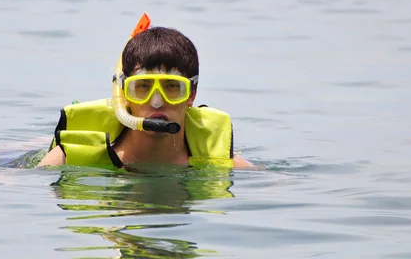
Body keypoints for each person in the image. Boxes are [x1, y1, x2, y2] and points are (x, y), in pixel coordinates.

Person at [38, 15, 254, 170]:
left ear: (192, 94)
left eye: (172, 87)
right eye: (142, 87)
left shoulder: (222, 163)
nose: (158, 102)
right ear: (123, 94)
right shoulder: (67, 157)